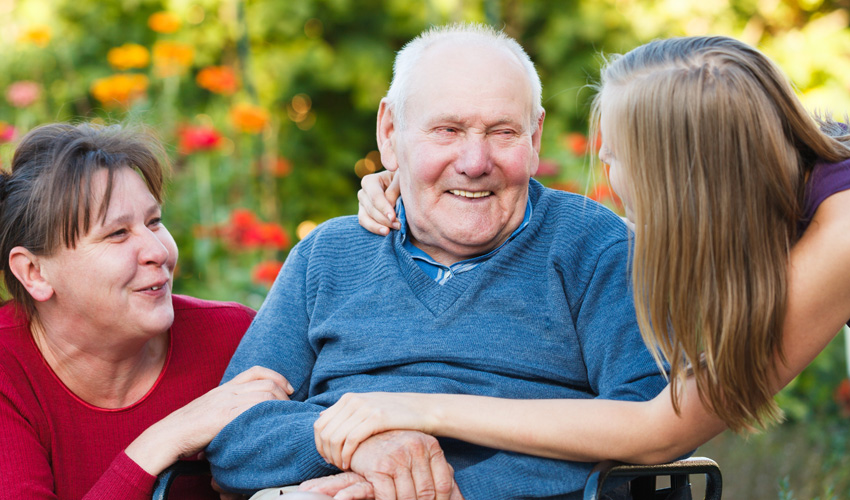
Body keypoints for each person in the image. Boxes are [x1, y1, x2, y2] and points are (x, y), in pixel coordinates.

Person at [318, 34, 850, 471]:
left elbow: (659, 429)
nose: (611, 176)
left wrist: (416, 409)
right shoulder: (797, 185)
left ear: (686, 174)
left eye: (616, 155)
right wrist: (419, 183)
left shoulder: (842, 228)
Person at [205, 23, 667, 500]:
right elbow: (234, 432)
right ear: (389, 132)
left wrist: (429, 488)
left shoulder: (595, 248)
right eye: (448, 129)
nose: (474, 161)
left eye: (502, 132)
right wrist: (363, 451)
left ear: (535, 137)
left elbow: (647, 427)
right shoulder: (327, 254)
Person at [0, 122, 293, 500]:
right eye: (117, 233)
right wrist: (165, 438)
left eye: (154, 221)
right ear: (34, 273)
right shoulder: (9, 370)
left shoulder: (234, 337)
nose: (158, 251)